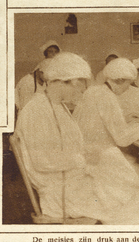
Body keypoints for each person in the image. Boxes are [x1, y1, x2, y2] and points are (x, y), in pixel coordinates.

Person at [14, 52, 115, 223]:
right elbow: (42, 160)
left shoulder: (56, 105)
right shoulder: (36, 110)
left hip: (69, 182)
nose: (81, 93)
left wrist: (88, 152)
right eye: (79, 87)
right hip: (59, 193)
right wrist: (81, 159)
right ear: (64, 82)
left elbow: (65, 146)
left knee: (123, 177)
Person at [73, 58, 139, 225]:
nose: (128, 87)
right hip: (96, 163)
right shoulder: (107, 97)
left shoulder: (94, 91)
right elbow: (123, 138)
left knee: (137, 163)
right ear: (119, 81)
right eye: (128, 83)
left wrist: (124, 119)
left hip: (87, 156)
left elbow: (98, 123)